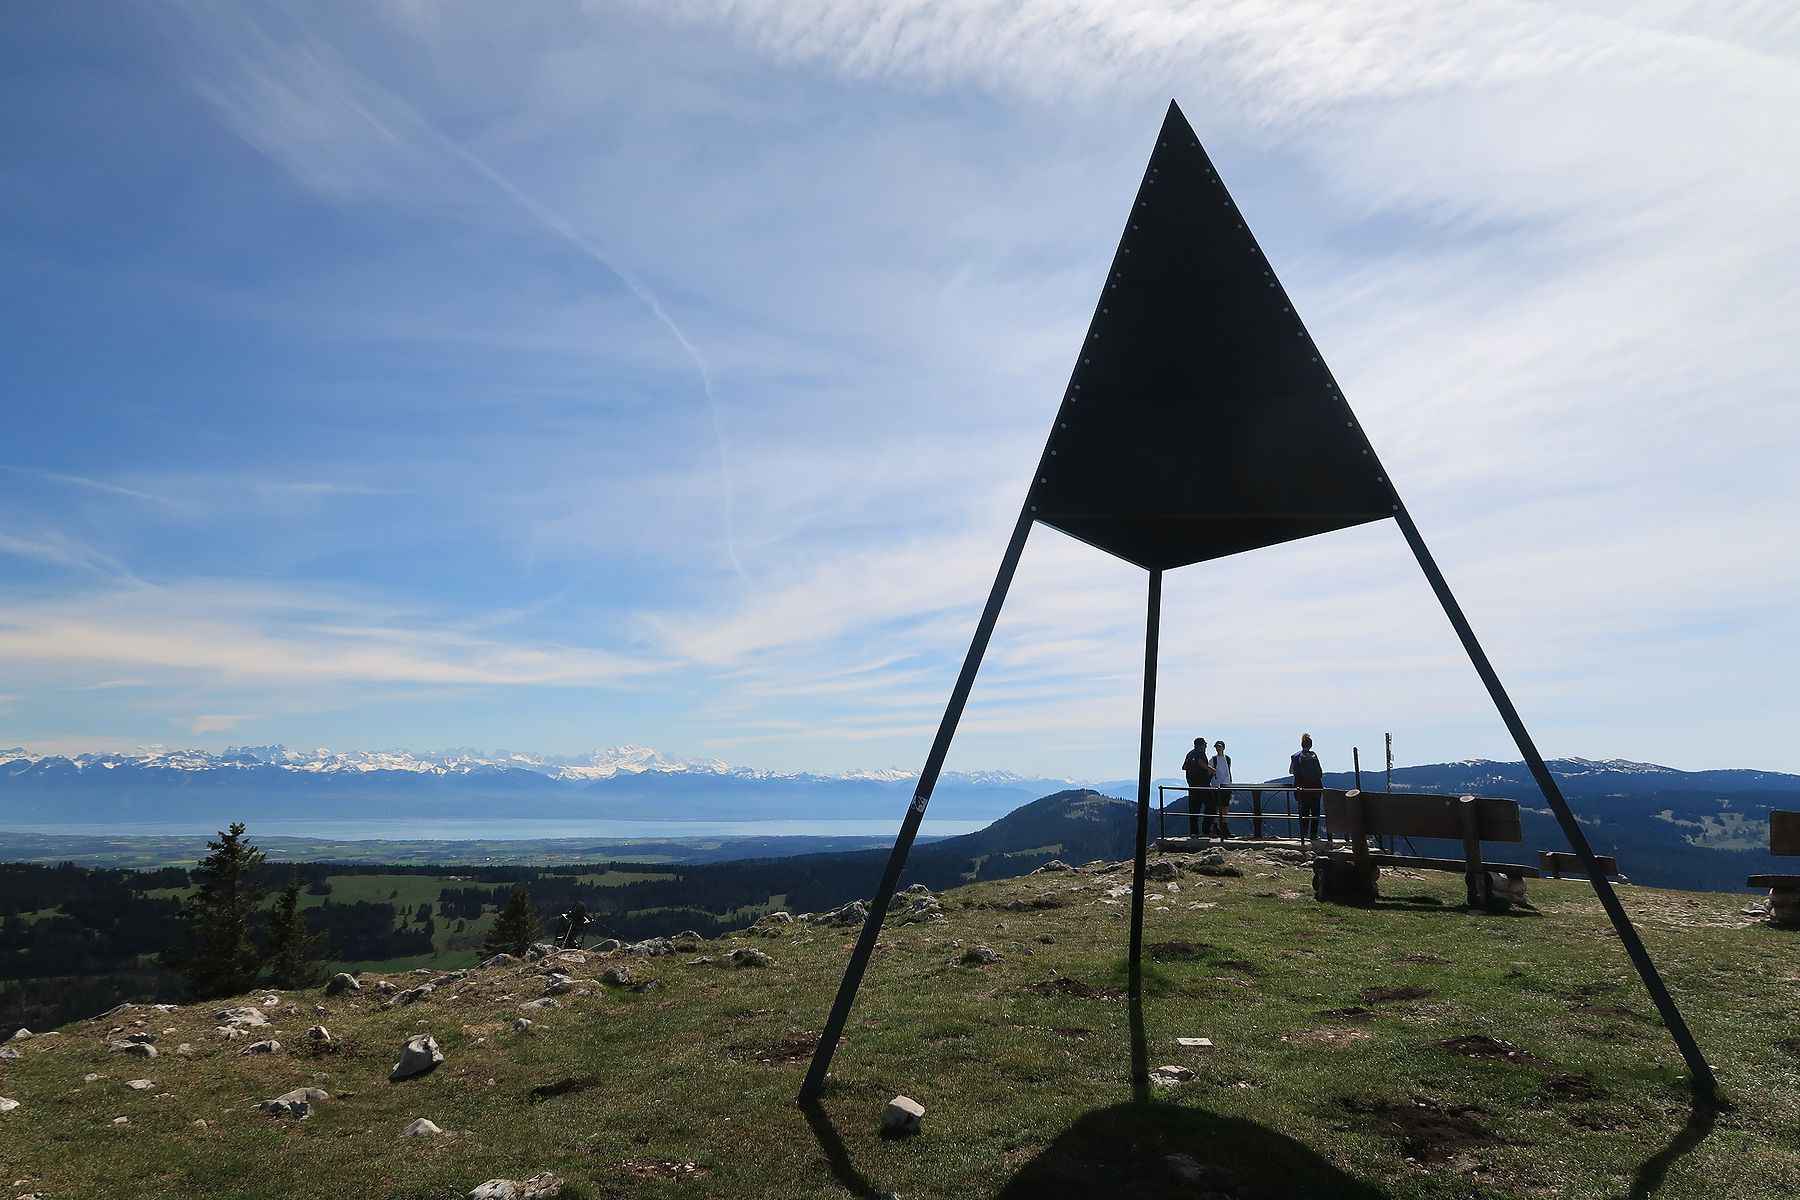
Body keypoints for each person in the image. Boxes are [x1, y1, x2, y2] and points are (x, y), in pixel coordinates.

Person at [1291, 733, 1324, 846]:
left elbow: (1291, 771)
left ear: (1301, 744)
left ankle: (1304, 833)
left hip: (1303, 788)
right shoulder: (1314, 755)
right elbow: (1320, 772)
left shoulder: (1295, 757)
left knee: (1304, 811)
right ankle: (1313, 835)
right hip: (1316, 788)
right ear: (1310, 745)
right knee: (1315, 812)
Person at [1181, 737, 1215, 837]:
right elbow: (1201, 763)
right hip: (1203, 785)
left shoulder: (1189, 754)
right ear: (1201, 745)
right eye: (1205, 744)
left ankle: (1194, 832)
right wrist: (1211, 770)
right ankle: (1206, 830)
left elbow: (1184, 767)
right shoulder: (1200, 753)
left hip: (1192, 786)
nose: (1205, 746)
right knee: (1211, 806)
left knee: (1194, 810)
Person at [1209, 740, 1233, 838]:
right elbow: (1209, 770)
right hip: (1216, 785)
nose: (1218, 748)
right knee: (1217, 807)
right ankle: (1216, 827)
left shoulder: (1227, 758)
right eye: (1216, 747)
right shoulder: (1213, 759)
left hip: (1226, 785)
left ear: (1223, 747)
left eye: (1219, 746)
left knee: (1225, 808)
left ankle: (1224, 827)